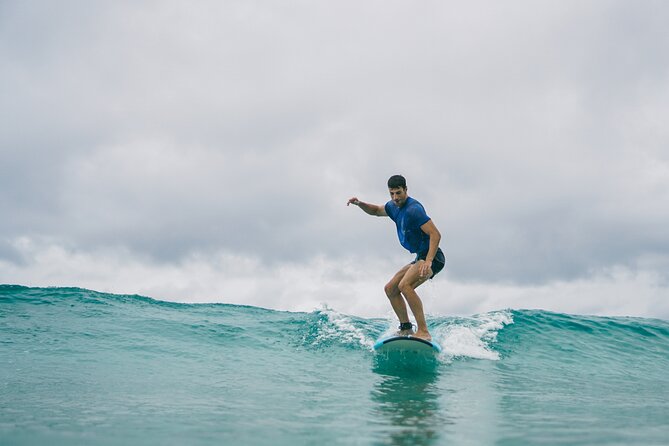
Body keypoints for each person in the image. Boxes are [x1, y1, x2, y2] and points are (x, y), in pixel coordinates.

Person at [347, 175, 445, 341]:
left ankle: (423, 331)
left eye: (398, 193)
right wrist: (359, 204)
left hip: (433, 257)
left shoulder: (414, 209)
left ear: (406, 190)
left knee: (405, 285)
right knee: (391, 288)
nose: (395, 198)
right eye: (392, 193)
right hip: (420, 256)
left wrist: (428, 261)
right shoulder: (393, 207)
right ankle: (406, 328)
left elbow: (435, 234)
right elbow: (377, 211)